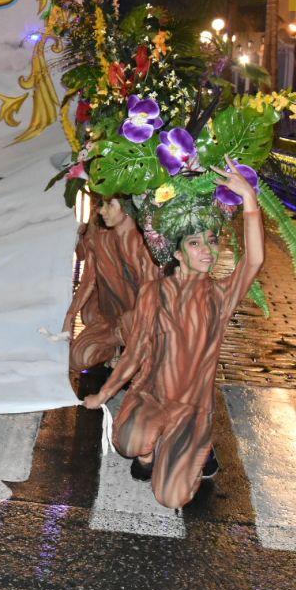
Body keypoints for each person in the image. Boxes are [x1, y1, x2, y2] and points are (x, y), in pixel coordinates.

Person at [83, 162, 264, 509]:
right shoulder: (154, 291)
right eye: (195, 243)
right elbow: (135, 353)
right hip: (151, 396)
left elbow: (253, 261)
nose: (207, 250)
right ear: (177, 253)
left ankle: (192, 445)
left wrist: (250, 200)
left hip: (192, 409)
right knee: (130, 443)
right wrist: (104, 394)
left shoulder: (222, 296)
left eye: (211, 241)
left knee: (171, 497)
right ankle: (149, 451)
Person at [61, 196, 160, 378]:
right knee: (77, 359)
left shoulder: (145, 245)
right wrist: (69, 316)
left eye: (110, 206)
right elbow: (88, 280)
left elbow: (151, 296)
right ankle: (115, 348)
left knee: (146, 372)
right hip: (111, 320)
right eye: (101, 205)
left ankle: (136, 354)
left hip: (140, 321)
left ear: (127, 209)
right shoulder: (100, 238)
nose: (101, 211)